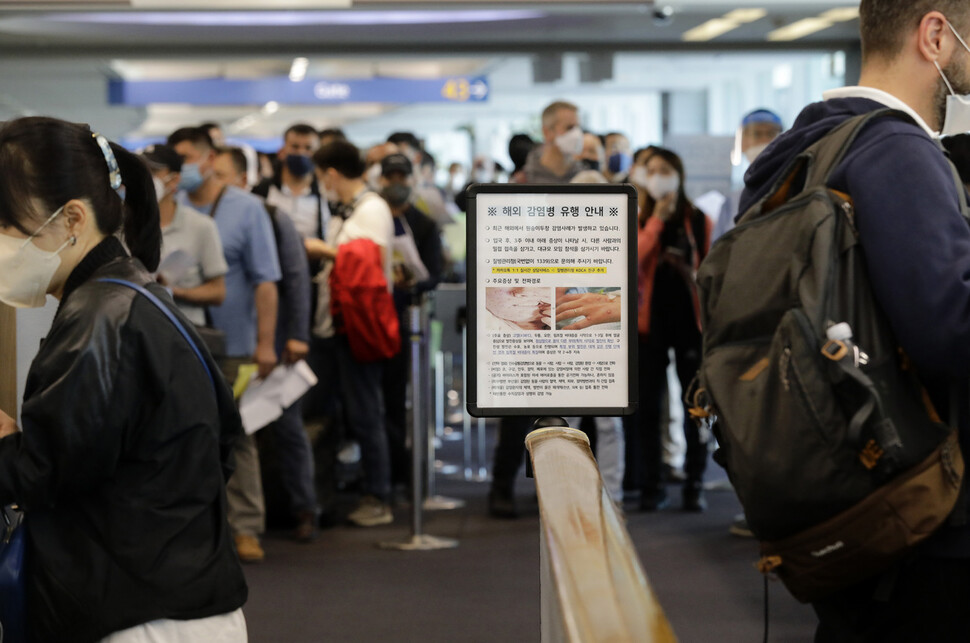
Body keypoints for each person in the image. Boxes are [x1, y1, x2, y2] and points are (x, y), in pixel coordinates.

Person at [741, 2, 970, 639]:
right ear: (935, 36)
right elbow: (951, 329)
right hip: (923, 517)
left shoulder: (803, 149)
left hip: (844, 495)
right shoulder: (898, 152)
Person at [0, 116, 247, 641]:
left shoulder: (98, 318)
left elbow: (45, 475)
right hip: (177, 595)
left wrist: (4, 443)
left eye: (5, 226)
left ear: (71, 219)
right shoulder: (136, 296)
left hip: (138, 614)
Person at [168, 126, 281, 563]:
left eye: (188, 157)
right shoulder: (171, 209)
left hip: (235, 343)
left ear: (211, 158)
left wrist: (266, 344)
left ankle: (246, 528)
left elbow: (266, 282)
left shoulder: (248, 210)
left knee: (238, 434)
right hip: (181, 342)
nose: (183, 168)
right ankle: (194, 528)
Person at [214, 146, 319, 542]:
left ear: (244, 179)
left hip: (273, 341)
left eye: (222, 176)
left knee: (285, 424)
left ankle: (305, 507)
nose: (214, 184)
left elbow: (293, 279)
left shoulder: (272, 217)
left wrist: (296, 336)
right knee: (238, 429)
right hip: (232, 340)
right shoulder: (203, 215)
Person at [307, 139, 396, 527]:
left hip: (359, 328)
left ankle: (378, 495)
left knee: (366, 414)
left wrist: (321, 251)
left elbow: (367, 265)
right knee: (329, 412)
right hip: (336, 325)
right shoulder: (345, 210)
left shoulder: (371, 208)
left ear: (330, 173)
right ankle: (327, 492)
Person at [636, 147, 712, 513]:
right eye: (651, 170)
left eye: (665, 169)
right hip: (648, 326)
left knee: (694, 404)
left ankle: (695, 481)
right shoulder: (638, 218)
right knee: (648, 408)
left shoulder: (697, 219)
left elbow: (710, 269)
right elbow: (631, 259)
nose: (658, 176)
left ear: (678, 174)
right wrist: (656, 221)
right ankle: (653, 483)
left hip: (688, 324)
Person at [378, 152, 443, 490]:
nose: (397, 183)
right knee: (381, 401)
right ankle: (383, 470)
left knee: (405, 397)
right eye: (391, 177)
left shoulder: (424, 223)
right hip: (375, 319)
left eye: (402, 177)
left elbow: (435, 273)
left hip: (408, 320)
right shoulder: (371, 219)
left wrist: (413, 282)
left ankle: (405, 472)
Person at [142, 143, 228, 326]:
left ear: (174, 180)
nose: (145, 178)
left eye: (154, 172)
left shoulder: (201, 226)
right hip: (140, 331)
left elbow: (218, 292)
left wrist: (172, 291)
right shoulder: (127, 225)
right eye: (142, 170)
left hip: (185, 332)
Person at [711, 108, 784, 242]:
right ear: (742, 143)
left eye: (770, 134)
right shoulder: (732, 202)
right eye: (756, 134)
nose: (763, 141)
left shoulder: (795, 188)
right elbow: (717, 252)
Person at [253, 123, 329, 243]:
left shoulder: (326, 193)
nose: (301, 153)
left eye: (308, 148)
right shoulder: (261, 191)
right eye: (295, 147)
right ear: (282, 151)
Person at [522, 100, 586, 184]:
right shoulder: (524, 180)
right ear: (546, 132)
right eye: (569, 127)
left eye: (577, 127)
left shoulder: (586, 178)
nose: (577, 134)